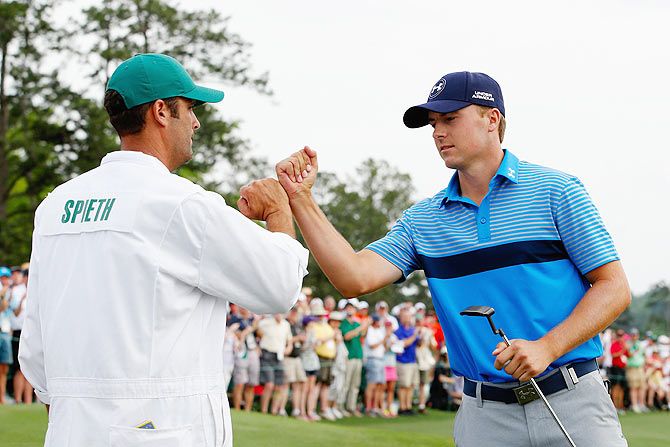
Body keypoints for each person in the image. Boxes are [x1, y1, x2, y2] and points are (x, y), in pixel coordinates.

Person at [275, 71, 630, 445]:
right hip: (485, 416)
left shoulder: (556, 191)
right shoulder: (423, 220)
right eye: (433, 123)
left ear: (491, 119)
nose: (437, 132)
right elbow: (353, 277)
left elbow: (614, 287)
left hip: (572, 399)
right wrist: (300, 198)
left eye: (450, 119)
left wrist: (548, 347)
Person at [19, 53, 308, 447]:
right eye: (189, 108)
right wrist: (277, 208)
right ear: (160, 111)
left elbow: (35, 349)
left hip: (72, 429)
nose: (195, 121)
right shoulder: (180, 203)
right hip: (163, 430)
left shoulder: (56, 206)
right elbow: (278, 286)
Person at [257, 313, 292, 415]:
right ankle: (264, 410)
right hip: (267, 354)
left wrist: (289, 348)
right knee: (269, 384)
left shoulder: (286, 324)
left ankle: (274, 410)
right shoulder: (266, 322)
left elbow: (289, 341)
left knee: (279, 385)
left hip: (279, 355)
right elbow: (257, 329)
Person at [339, 300, 368, 416]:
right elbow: (347, 336)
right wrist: (361, 328)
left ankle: (351, 407)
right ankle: (340, 406)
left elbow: (363, 335)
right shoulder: (344, 323)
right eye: (348, 308)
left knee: (355, 385)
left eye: (352, 308)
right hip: (348, 357)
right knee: (345, 384)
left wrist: (365, 326)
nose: (350, 309)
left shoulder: (357, 324)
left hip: (358, 356)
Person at [609, 329, 628, 414]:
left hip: (622, 369)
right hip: (616, 368)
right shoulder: (614, 344)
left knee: (621, 388)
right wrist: (622, 351)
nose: (621, 337)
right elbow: (613, 355)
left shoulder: (624, 344)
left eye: (622, 335)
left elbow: (629, 355)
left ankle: (620, 406)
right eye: (619, 335)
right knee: (615, 388)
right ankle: (615, 406)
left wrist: (626, 348)